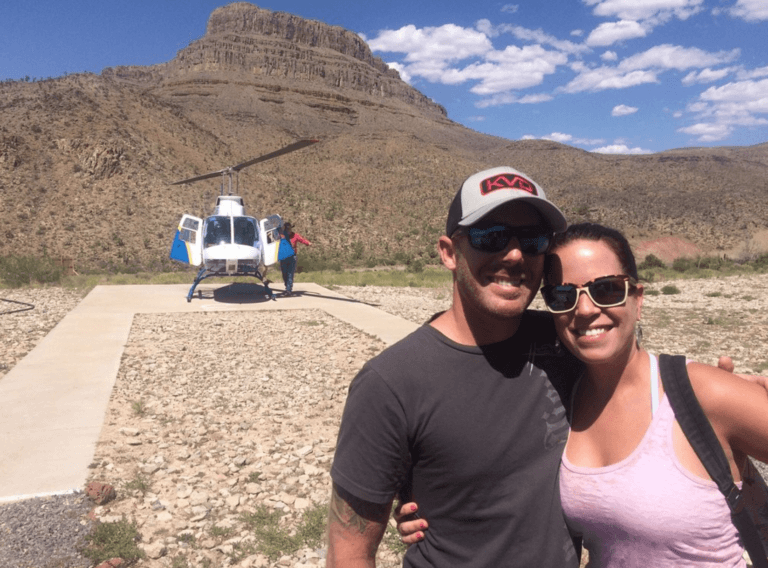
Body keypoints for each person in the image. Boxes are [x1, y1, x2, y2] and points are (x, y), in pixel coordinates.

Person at [397, 222, 768, 566]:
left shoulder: (703, 392)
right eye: (563, 296)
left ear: (637, 299)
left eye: (606, 289)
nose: (586, 310)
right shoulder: (562, 394)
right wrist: (435, 509)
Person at [329, 166, 583, 568]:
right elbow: (349, 552)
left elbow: (641, 389)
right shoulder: (390, 383)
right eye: (491, 237)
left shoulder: (567, 342)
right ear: (449, 252)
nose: (515, 254)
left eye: (533, 240)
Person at [279, 222, 311, 296]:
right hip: (283, 257)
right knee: (284, 274)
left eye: (289, 229)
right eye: (287, 230)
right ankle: (287, 286)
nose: (288, 231)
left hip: (292, 257)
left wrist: (308, 243)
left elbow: (302, 239)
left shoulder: (295, 235)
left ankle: (288, 290)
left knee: (290, 273)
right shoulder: (281, 235)